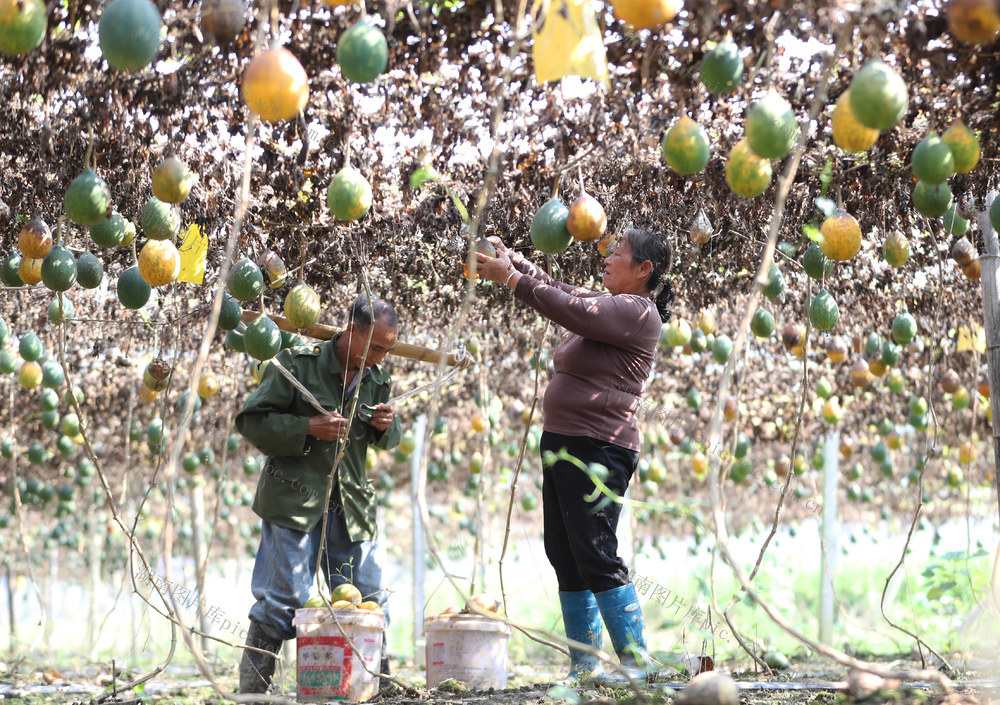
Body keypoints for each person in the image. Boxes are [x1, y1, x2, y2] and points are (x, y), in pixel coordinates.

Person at [472, 228, 674, 683]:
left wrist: (512, 281)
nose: (607, 258)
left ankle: (635, 664)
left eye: (617, 254)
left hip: (599, 447)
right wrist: (517, 264)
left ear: (645, 269)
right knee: (564, 551)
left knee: (595, 550)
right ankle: (584, 665)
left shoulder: (638, 312)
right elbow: (565, 292)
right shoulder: (610, 307)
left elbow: (571, 307)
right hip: (566, 443)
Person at [234, 297, 403, 694]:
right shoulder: (297, 365)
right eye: (376, 346)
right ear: (352, 331)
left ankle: (379, 688)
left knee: (368, 598)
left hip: (351, 506)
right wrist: (307, 427)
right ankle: (253, 693)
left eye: (388, 350)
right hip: (295, 502)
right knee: (284, 599)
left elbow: (388, 441)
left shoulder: (377, 379)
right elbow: (251, 422)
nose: (380, 357)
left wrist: (386, 426)